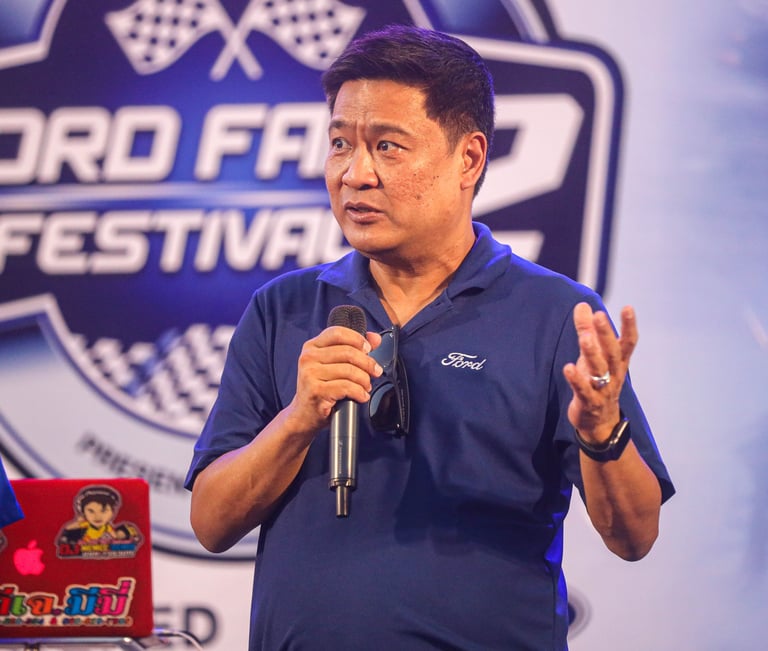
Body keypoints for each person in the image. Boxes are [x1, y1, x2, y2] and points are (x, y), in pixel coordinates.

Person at [185, 24, 674, 650]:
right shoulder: (283, 309)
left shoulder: (556, 314)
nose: (355, 174)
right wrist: (299, 419)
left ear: (469, 158)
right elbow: (211, 523)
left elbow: (634, 537)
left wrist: (603, 432)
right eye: (340, 144)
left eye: (387, 147)